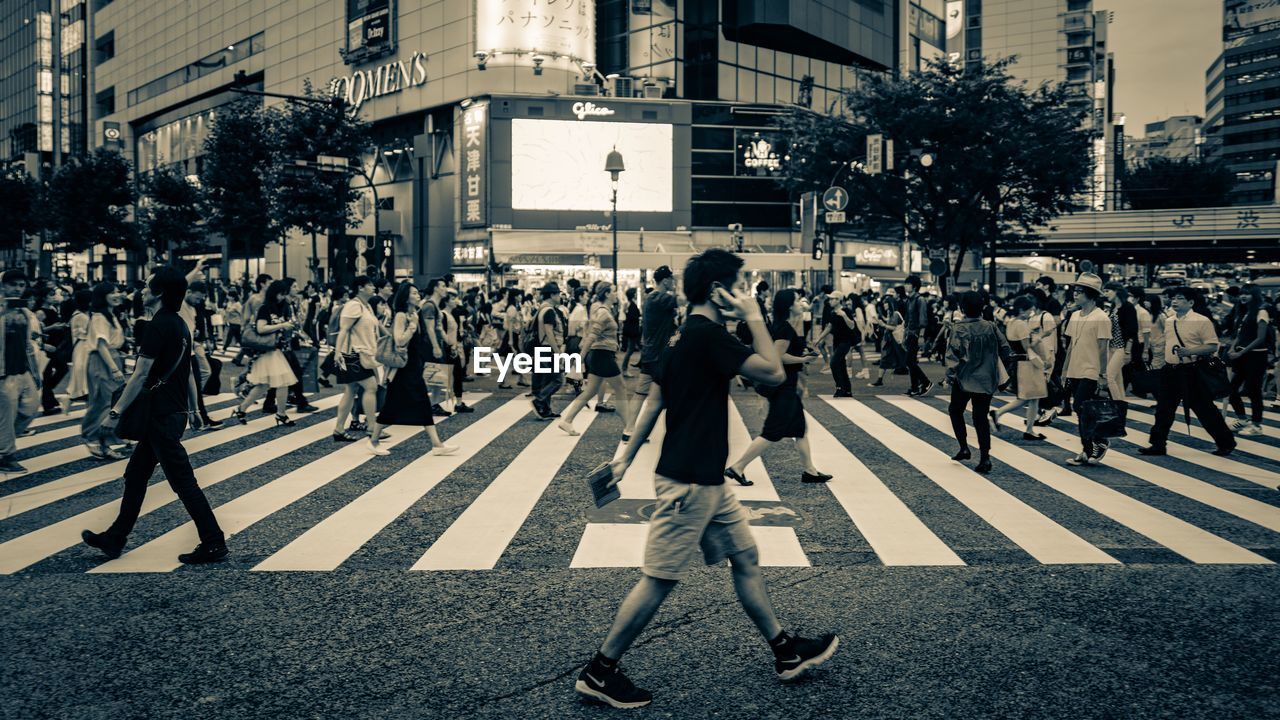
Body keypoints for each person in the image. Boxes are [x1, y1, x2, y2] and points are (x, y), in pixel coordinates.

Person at [574, 249, 838, 709]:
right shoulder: (708, 338)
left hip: (706, 482)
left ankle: (785, 652)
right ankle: (600, 672)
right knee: (658, 578)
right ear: (718, 291)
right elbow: (774, 372)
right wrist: (754, 315)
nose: (744, 292)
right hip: (690, 484)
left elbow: (656, 401)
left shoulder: (683, 337)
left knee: (746, 558)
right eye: (739, 284)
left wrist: (624, 459)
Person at [81, 266, 228, 565]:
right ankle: (115, 537)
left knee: (183, 482)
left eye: (147, 286)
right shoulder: (179, 323)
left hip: (160, 416)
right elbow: (186, 372)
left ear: (159, 292)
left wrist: (115, 412)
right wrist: (194, 408)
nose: (143, 291)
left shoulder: (158, 325)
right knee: (135, 476)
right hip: (168, 414)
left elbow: (140, 375)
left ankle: (214, 541)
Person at [724, 289, 831, 484]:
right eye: (798, 301)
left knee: (799, 429)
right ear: (790, 306)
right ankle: (737, 467)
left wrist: (802, 350)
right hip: (783, 387)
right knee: (771, 432)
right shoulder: (785, 329)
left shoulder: (782, 326)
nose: (801, 304)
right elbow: (777, 356)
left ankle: (810, 471)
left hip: (786, 385)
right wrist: (803, 359)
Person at [1139, 286, 1236, 457]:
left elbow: (1212, 345)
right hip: (1170, 370)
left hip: (1191, 371)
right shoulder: (1169, 321)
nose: (1175, 301)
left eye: (1180, 298)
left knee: (1204, 409)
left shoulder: (1202, 321)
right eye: (1174, 298)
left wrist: (1190, 352)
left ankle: (1226, 442)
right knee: (1164, 409)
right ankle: (1157, 444)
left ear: (1191, 302)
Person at [375, 283, 458, 456]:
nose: (418, 295)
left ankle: (436, 444)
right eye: (414, 293)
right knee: (410, 402)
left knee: (402, 402)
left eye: (417, 292)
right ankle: (436, 445)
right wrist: (412, 327)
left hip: (412, 366)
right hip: (404, 368)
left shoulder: (414, 314)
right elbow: (399, 340)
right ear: (406, 297)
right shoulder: (401, 315)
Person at [946, 291, 1015, 474]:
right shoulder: (991, 327)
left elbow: (953, 356)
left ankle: (964, 447)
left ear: (962, 309)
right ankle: (985, 458)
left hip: (964, 379)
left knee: (955, 410)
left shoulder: (958, 328)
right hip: (986, 380)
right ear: (982, 308)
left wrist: (949, 377)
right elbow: (1006, 350)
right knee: (980, 418)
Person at [557, 283, 635, 439]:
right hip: (602, 355)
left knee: (590, 390)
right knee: (621, 389)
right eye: (614, 291)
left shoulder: (601, 310)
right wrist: (581, 357)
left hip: (601, 354)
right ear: (606, 294)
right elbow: (592, 335)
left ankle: (567, 420)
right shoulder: (603, 313)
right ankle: (629, 430)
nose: (616, 294)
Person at [229, 279, 300, 429]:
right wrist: (281, 325)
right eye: (281, 294)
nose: (282, 297)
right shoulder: (265, 308)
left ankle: (241, 410)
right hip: (266, 351)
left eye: (284, 294)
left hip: (274, 350)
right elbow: (261, 329)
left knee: (265, 385)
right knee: (280, 382)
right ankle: (280, 414)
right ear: (274, 293)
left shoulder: (283, 307)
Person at [1060, 273, 1113, 466]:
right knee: (1082, 410)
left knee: (1079, 406)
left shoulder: (1101, 317)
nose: (1075, 295)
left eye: (1080, 292)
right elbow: (1071, 345)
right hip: (1075, 368)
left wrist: (1102, 374)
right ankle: (1088, 448)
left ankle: (1097, 443)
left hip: (1092, 370)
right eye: (1075, 291)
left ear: (1091, 294)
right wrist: (1064, 371)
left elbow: (1102, 349)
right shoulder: (1074, 315)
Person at [333, 276, 387, 455]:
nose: (373, 287)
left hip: (362, 354)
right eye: (370, 285)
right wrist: (338, 352)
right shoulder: (354, 305)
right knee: (370, 386)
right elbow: (344, 330)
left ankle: (339, 429)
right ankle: (371, 427)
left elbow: (374, 328)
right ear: (360, 288)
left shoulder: (366, 306)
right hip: (353, 354)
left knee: (351, 391)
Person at [992, 294, 1053, 441]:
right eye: (1029, 310)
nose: (1030, 313)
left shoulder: (1012, 322)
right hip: (1027, 364)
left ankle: (1029, 430)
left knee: (1033, 398)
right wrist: (1040, 338)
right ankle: (998, 414)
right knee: (1026, 397)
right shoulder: (1021, 324)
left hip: (1021, 363)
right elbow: (1027, 348)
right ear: (1021, 310)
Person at [80, 283, 129, 460]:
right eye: (112, 292)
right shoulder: (100, 317)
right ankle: (95, 439)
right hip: (103, 361)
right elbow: (101, 345)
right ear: (103, 296)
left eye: (117, 292)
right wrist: (114, 368)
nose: (118, 295)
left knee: (110, 401)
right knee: (104, 401)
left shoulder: (110, 315)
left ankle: (104, 441)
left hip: (110, 358)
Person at [0, 270, 42, 475]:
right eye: (13, 285)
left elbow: (28, 345)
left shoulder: (25, 312)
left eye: (21, 285)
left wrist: (35, 372)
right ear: (3, 286)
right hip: (3, 372)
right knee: (5, 416)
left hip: (23, 370)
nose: (17, 289)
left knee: (31, 408)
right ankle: (6, 455)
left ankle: (4, 443)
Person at [1225, 284, 1270, 437]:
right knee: (1231, 389)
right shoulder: (1245, 312)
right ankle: (1242, 419)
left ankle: (1257, 425)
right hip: (1242, 355)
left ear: (1255, 295)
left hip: (1257, 356)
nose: (1243, 296)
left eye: (1248, 294)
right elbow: (1240, 334)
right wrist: (1232, 348)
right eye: (1242, 294)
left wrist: (1241, 352)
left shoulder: (1261, 311)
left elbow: (1260, 338)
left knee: (1253, 390)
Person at [636, 266, 678, 399]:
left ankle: (632, 421)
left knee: (642, 394)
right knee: (645, 394)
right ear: (665, 281)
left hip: (653, 353)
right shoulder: (659, 298)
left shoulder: (653, 298)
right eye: (672, 279)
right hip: (657, 354)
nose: (673, 282)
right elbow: (683, 299)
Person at [530, 282, 566, 420]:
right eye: (558, 294)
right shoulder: (549, 311)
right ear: (552, 295)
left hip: (542, 348)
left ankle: (546, 409)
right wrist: (557, 352)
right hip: (548, 349)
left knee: (547, 380)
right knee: (557, 380)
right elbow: (549, 333)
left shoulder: (542, 309)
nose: (560, 296)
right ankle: (539, 400)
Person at [1102, 282, 1137, 402]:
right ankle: (1121, 403)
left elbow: (1132, 330)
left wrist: (1128, 351)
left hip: (1121, 347)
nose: (1105, 294)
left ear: (1116, 291)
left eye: (1107, 291)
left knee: (1109, 376)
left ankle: (1117, 405)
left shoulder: (1128, 307)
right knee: (1117, 379)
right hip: (1112, 346)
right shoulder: (1113, 307)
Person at [903, 275, 933, 396]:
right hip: (910, 333)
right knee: (911, 361)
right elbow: (908, 319)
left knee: (909, 361)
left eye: (908, 283)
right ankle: (914, 387)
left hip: (916, 334)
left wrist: (921, 336)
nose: (906, 285)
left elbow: (923, 320)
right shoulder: (909, 299)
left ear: (914, 286)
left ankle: (925, 382)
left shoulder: (920, 300)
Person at [64, 289, 92, 403]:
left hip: (83, 346)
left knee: (82, 375)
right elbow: (82, 334)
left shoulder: (81, 314)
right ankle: (71, 398)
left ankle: (73, 397)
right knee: (83, 373)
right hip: (83, 347)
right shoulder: (80, 316)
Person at [620, 287, 642, 377]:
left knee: (632, 349)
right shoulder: (631, 304)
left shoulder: (628, 304)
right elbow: (633, 317)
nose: (636, 295)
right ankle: (624, 369)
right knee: (631, 350)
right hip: (633, 330)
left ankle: (626, 368)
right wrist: (639, 317)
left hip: (630, 330)